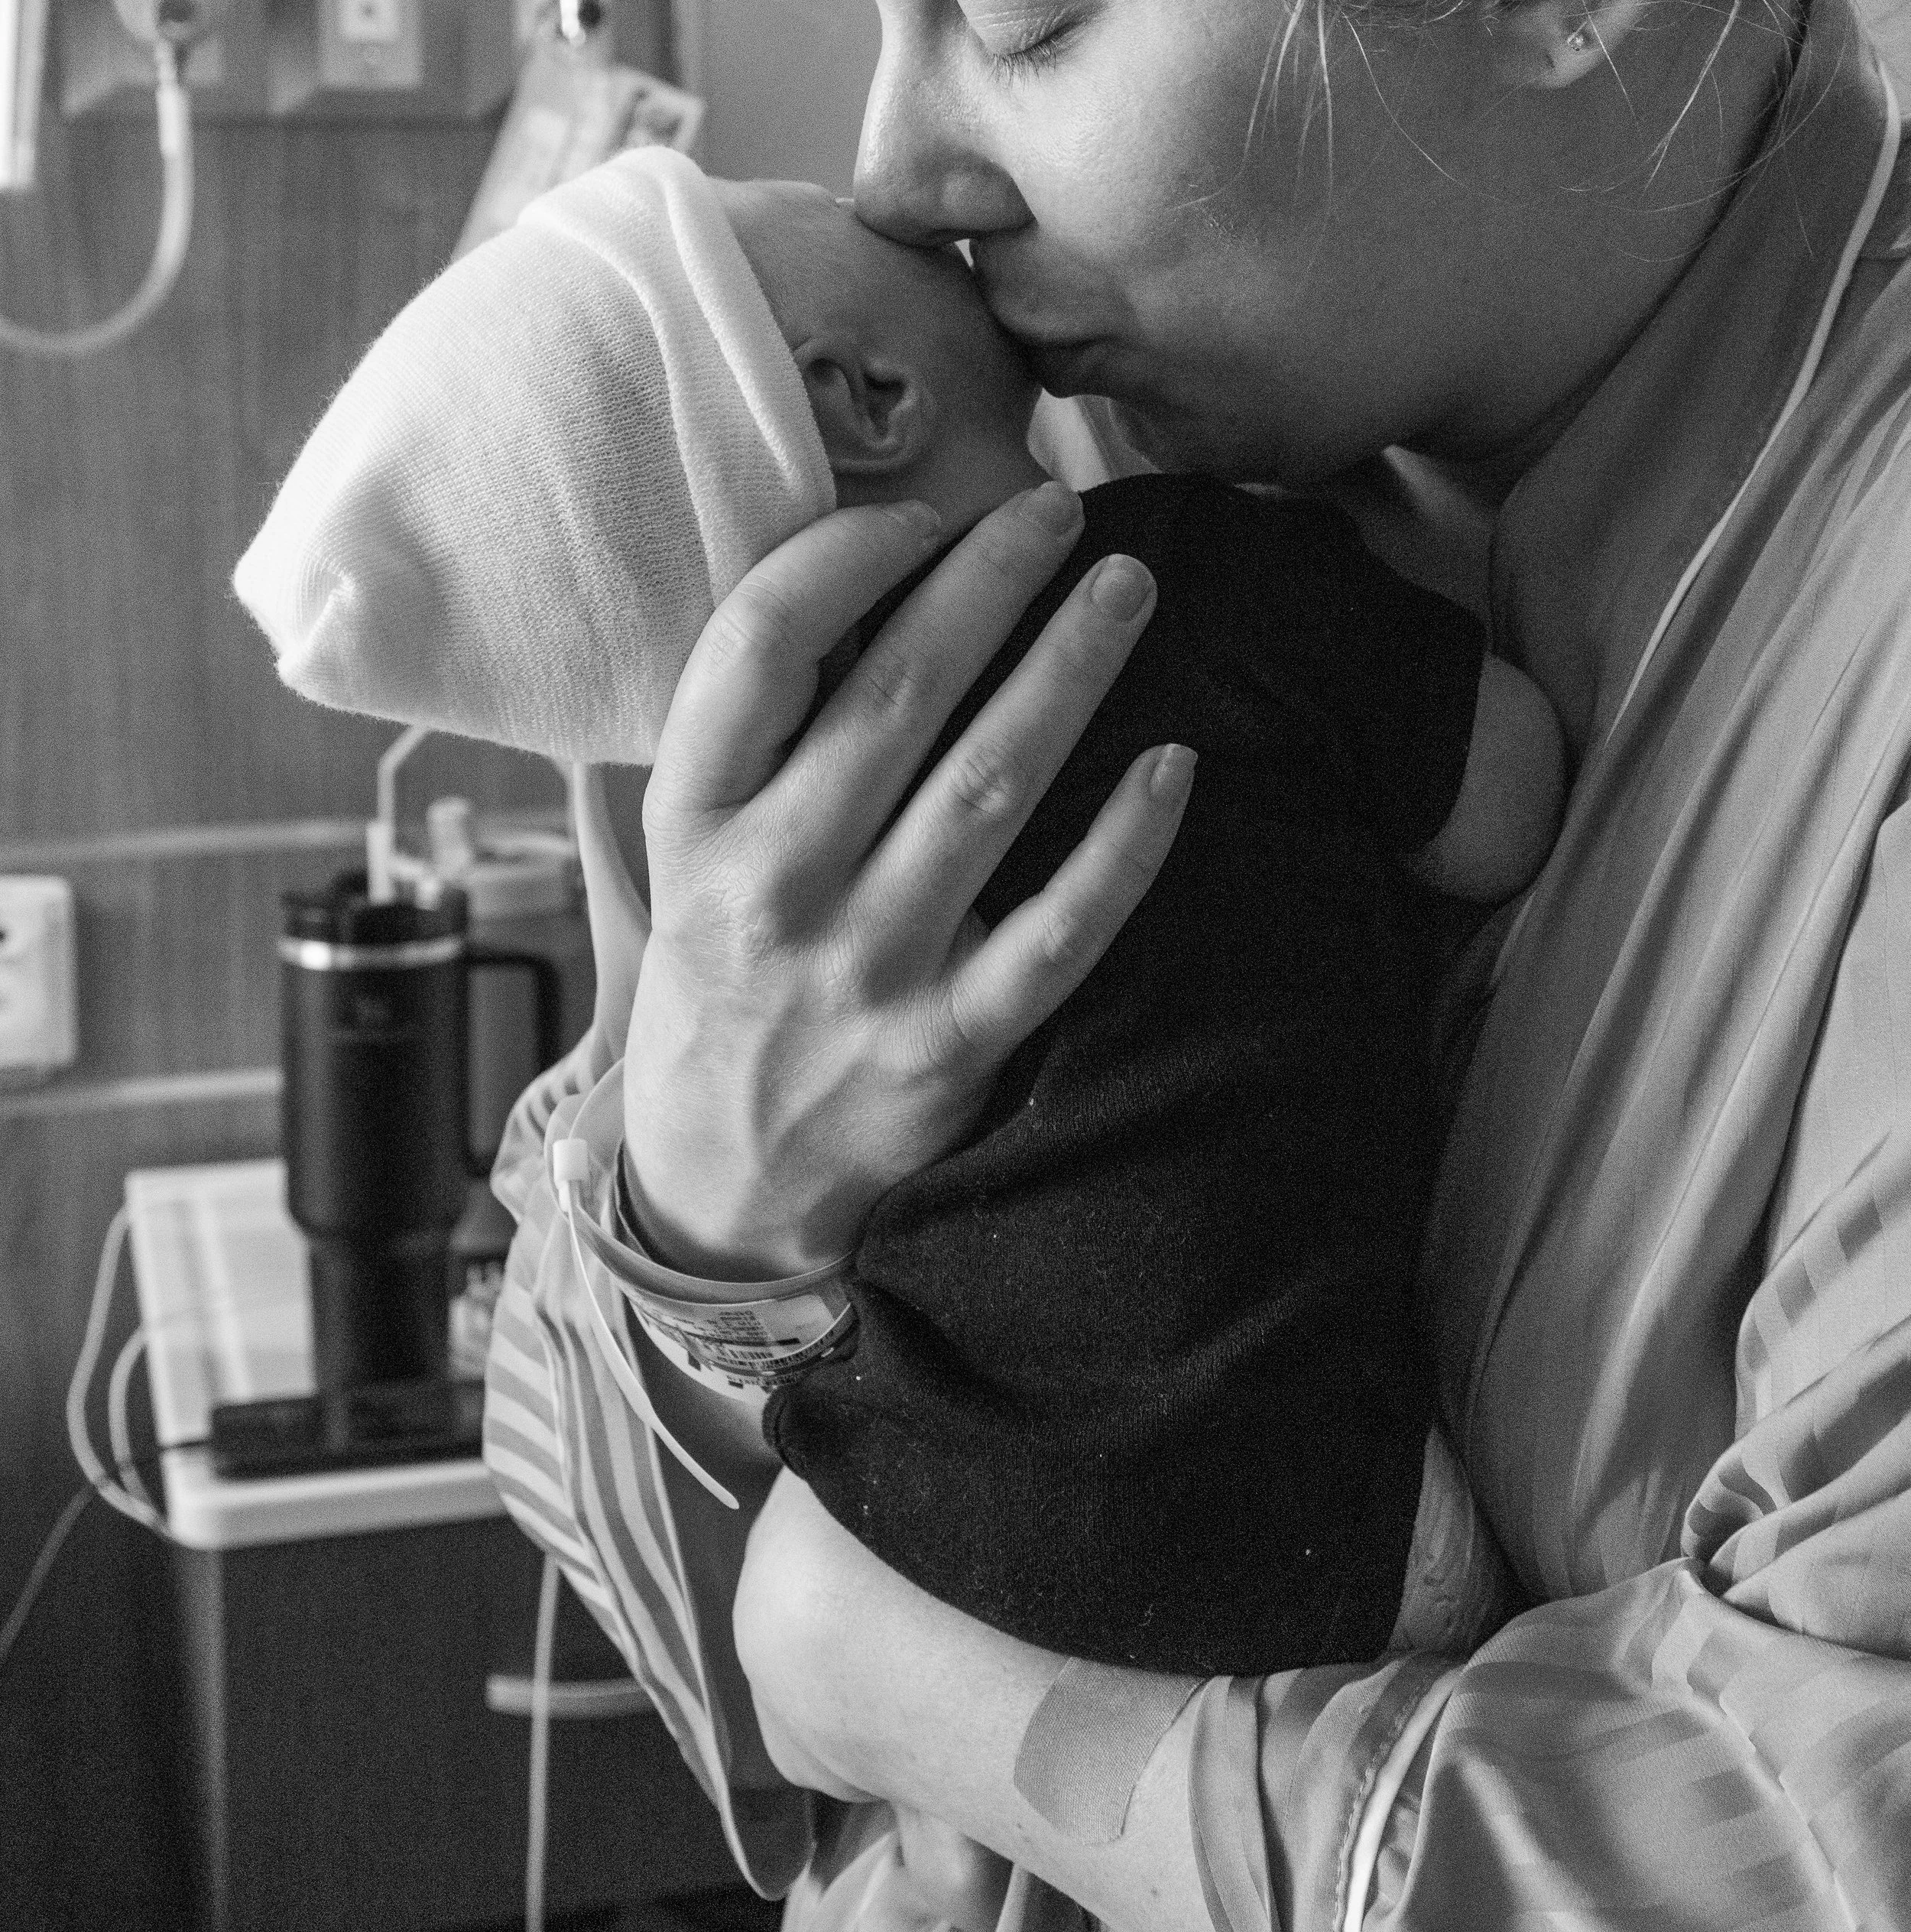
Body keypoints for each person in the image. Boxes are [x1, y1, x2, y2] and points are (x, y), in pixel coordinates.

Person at [481, 0, 1911, 1932]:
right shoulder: (1080, 497)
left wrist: (986, 1729)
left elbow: (1827, 1850)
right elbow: (639, 1562)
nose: (900, 170)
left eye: (1004, 15)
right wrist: (700, 1205)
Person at [232, 144, 1559, 1680]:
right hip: (1343, 1520)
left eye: (1016, 21)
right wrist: (703, 1238)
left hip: (958, 1548)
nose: (883, 170)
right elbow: (1506, 804)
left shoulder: (714, 845)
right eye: (783, 202)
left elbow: (748, 1627)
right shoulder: (1181, 580)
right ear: (862, 395)